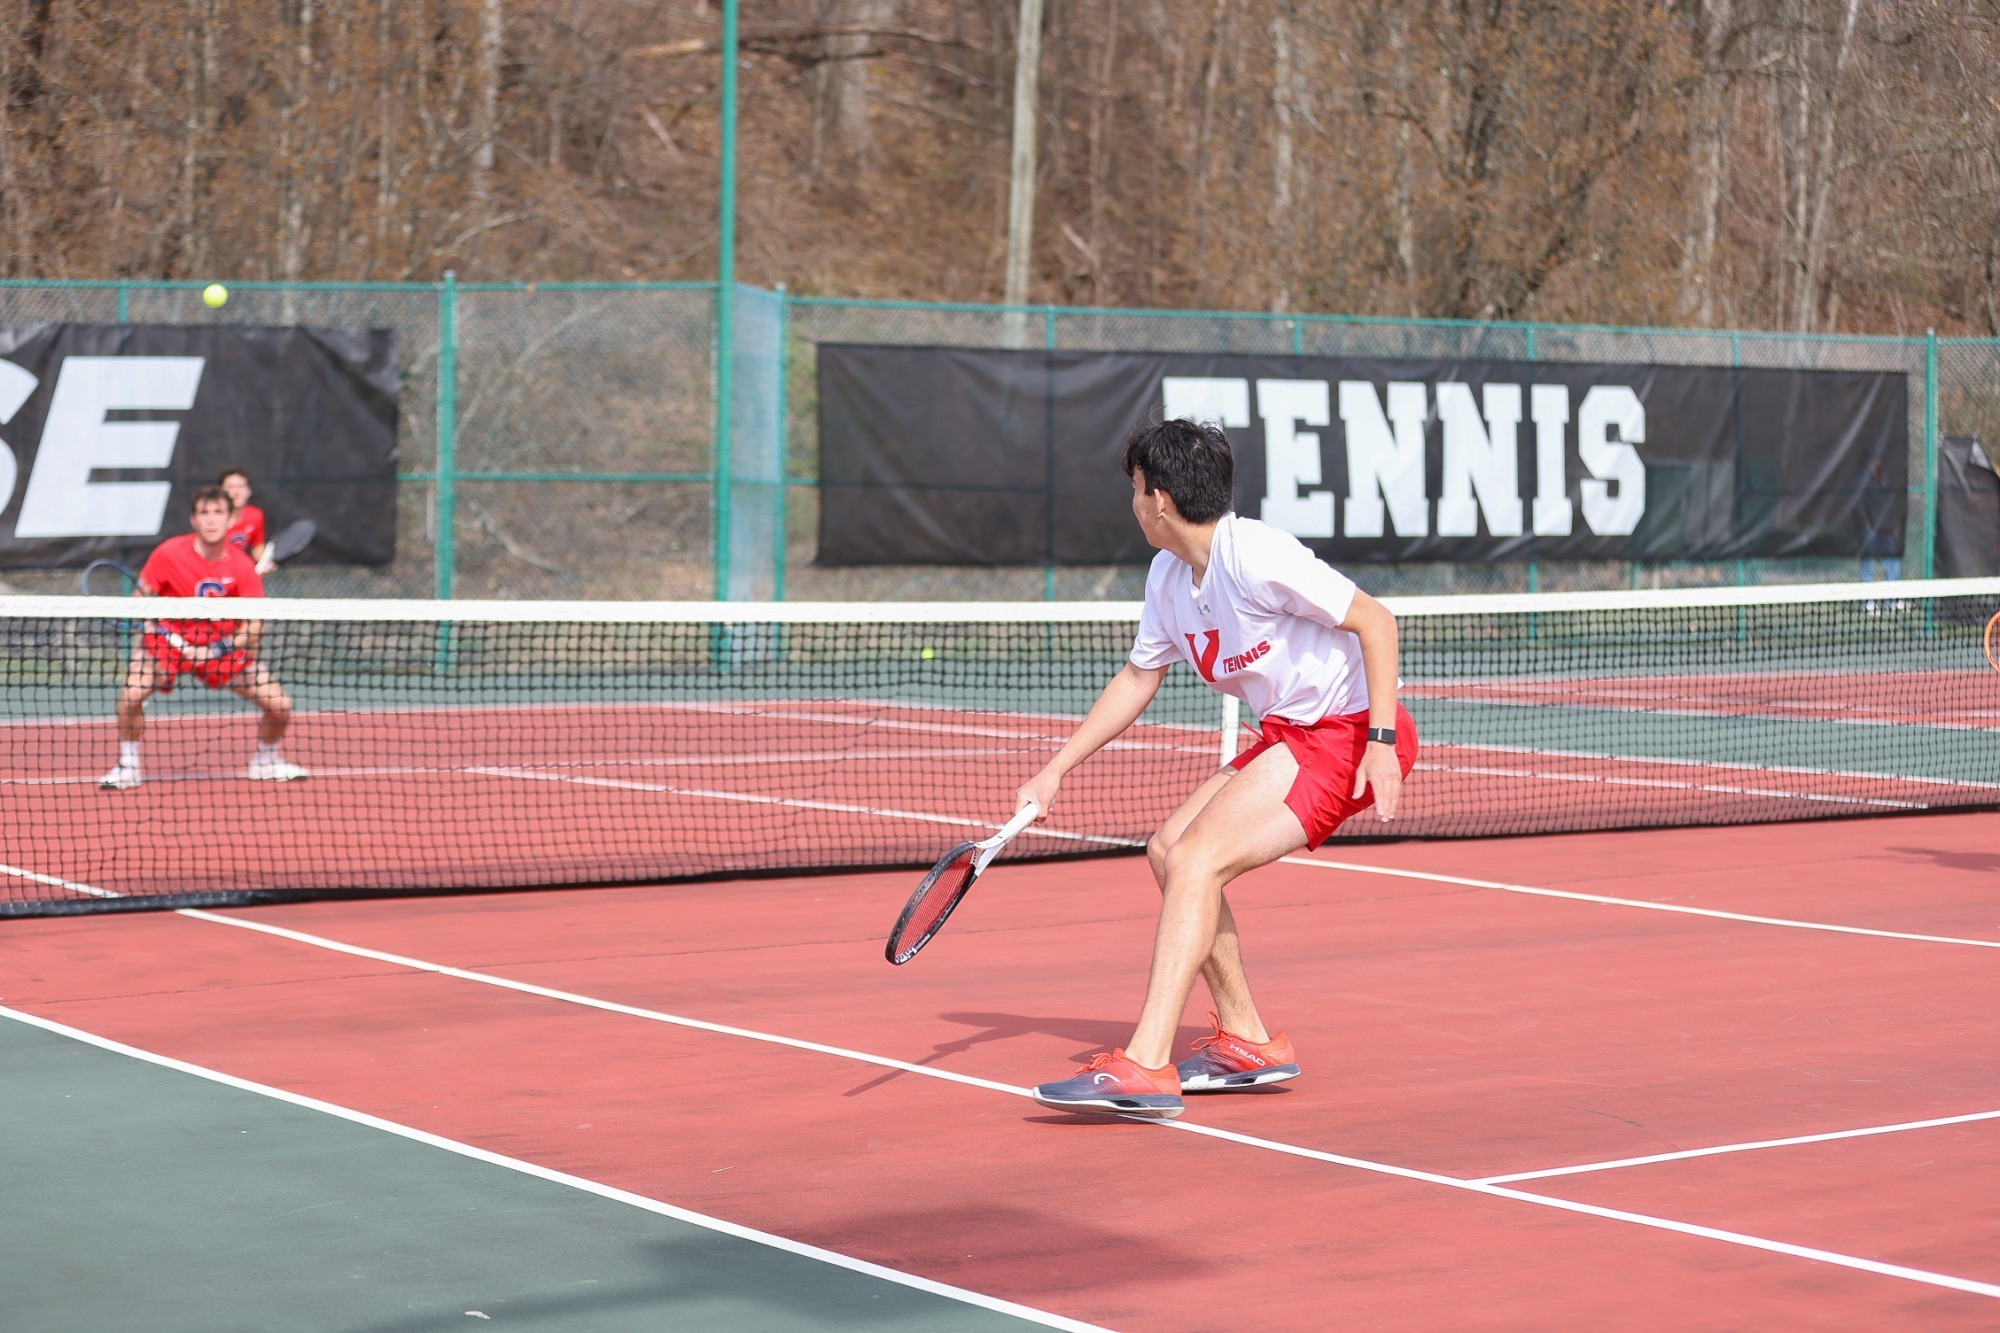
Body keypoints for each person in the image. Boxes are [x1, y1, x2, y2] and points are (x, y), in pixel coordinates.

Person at [1016, 418, 1417, 1120]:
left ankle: (1144, 1061)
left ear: (1160, 500)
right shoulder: (1169, 575)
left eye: (1136, 490)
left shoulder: (1257, 555)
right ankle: (1248, 1037)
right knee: (1170, 850)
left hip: (1347, 731)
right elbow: (1139, 678)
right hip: (1290, 732)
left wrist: (1381, 740)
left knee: (1198, 858)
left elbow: (1376, 621)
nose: (1133, 503)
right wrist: (1056, 769)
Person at [100, 485, 309, 790]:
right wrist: (150, 621)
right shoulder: (168, 553)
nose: (211, 520)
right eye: (204, 513)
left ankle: (265, 761)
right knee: (132, 695)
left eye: (218, 513)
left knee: (280, 705)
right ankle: (128, 766)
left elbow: (254, 626)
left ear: (230, 521)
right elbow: (139, 599)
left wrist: (216, 649)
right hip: (166, 645)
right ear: (194, 520)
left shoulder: (242, 566)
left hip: (221, 650)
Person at [219, 467, 275, 575]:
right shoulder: (212, 518)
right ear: (221, 491)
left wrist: (265, 563)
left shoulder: (255, 516)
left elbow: (257, 549)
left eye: (240, 487)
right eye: (230, 487)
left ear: (249, 491)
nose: (235, 492)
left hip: (241, 574)